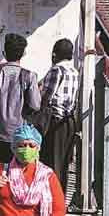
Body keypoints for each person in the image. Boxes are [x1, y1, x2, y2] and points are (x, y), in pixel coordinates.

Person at [0, 124, 66, 216]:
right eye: (22, 145)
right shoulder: (0, 170)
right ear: (14, 148)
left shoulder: (47, 175)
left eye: (31, 146)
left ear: (38, 148)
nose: (26, 149)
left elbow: (58, 209)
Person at [0, 33, 41, 166]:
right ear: (23, 53)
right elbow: (35, 105)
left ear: (4, 53)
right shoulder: (29, 76)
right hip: (19, 135)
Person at [38, 38, 79, 186]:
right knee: (63, 163)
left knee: (50, 161)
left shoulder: (56, 70)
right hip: (68, 121)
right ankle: (60, 197)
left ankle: (51, 197)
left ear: (55, 54)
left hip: (54, 121)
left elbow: (45, 97)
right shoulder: (74, 72)